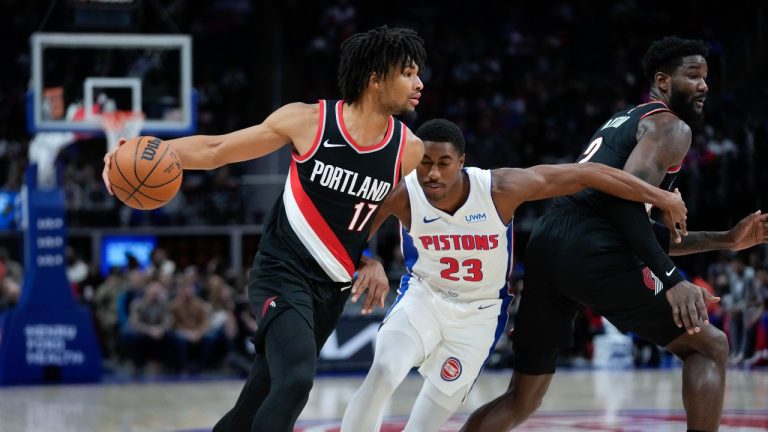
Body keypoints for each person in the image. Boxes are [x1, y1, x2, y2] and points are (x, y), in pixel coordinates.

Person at [102, 25, 427, 431]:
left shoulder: (409, 149)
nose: (419, 83)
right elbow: (215, 149)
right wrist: (138, 153)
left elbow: (386, 209)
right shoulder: (309, 122)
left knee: (254, 405)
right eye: (408, 73)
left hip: (331, 289)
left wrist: (369, 257)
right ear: (376, 78)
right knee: (294, 381)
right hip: (281, 271)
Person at [461, 36, 767, 432]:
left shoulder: (625, 119)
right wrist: (672, 280)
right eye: (693, 76)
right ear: (663, 80)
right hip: (591, 244)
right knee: (710, 346)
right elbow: (619, 206)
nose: (704, 85)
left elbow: (643, 229)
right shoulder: (670, 127)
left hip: (550, 240)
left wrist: (727, 239)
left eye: (706, 77)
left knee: (523, 397)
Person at [340, 118, 688, 432]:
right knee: (383, 371)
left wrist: (661, 197)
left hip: (479, 316)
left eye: (444, 164)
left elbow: (589, 174)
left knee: (423, 426)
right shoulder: (402, 194)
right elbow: (349, 239)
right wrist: (368, 261)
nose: (432, 174)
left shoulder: (500, 189)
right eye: (425, 163)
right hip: (424, 298)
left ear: (462, 162)